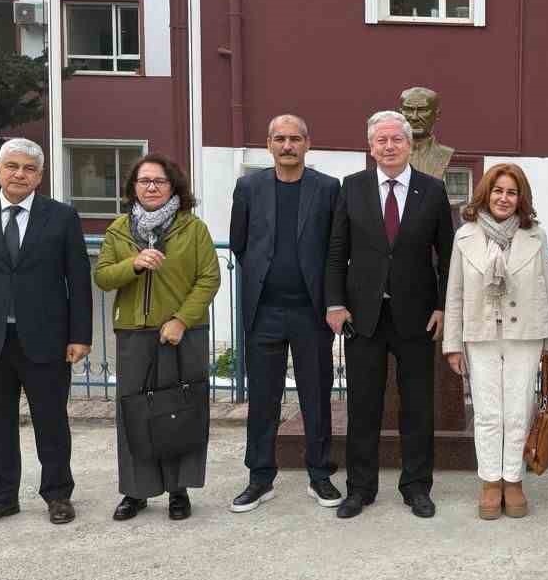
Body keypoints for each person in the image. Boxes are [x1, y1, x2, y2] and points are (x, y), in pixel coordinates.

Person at [0, 138, 92, 528]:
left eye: (28, 168)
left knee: (52, 421)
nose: (19, 174)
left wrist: (81, 335)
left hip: (47, 339)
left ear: (39, 176)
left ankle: (58, 494)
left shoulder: (61, 218)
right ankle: (1, 498)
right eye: (13, 166)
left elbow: (78, 280)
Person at [324, 109, 455, 519]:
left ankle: (416, 486)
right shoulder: (353, 187)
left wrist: (443, 306)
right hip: (363, 316)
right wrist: (334, 303)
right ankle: (359, 489)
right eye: (381, 141)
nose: (389, 146)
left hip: (417, 315)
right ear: (370, 147)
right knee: (363, 405)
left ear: (409, 144)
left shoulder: (432, 191)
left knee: (418, 405)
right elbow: (336, 252)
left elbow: (448, 255)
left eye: (396, 140)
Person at [93, 155, 221, 522]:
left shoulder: (192, 228)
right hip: (135, 333)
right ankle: (136, 491)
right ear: (133, 187)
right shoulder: (118, 230)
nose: (151, 187)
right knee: (134, 413)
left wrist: (181, 320)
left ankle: (179, 490)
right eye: (144, 181)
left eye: (159, 181)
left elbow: (209, 278)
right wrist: (132, 265)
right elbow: (103, 277)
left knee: (181, 409)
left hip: (183, 333)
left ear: (173, 186)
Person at [228, 115, 343, 514]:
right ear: (269, 144)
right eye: (280, 139)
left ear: (308, 143)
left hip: (311, 313)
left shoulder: (328, 188)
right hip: (264, 311)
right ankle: (260, 479)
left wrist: (332, 301)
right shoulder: (249, 187)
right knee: (263, 399)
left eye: (295, 138)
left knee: (316, 397)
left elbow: (335, 249)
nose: (287, 145)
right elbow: (240, 245)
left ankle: (320, 475)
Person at [442, 164, 548, 519]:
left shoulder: (534, 236)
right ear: (485, 194)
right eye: (498, 191)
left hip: (524, 334)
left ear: (520, 198)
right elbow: (455, 293)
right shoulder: (465, 236)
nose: (504, 198)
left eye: (511, 192)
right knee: (489, 412)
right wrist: (452, 343)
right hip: (481, 334)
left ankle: (513, 480)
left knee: (518, 412)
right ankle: (490, 481)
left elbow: (546, 289)